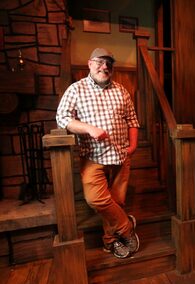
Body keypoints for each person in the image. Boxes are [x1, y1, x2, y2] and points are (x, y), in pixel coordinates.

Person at [56, 47, 140, 259]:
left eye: (109, 64)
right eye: (100, 62)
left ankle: (110, 242)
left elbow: (132, 120)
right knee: (96, 200)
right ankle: (127, 227)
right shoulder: (76, 89)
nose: (105, 67)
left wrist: (133, 146)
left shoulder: (121, 90)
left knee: (117, 202)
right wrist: (88, 128)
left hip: (121, 156)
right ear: (90, 63)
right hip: (93, 157)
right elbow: (63, 118)